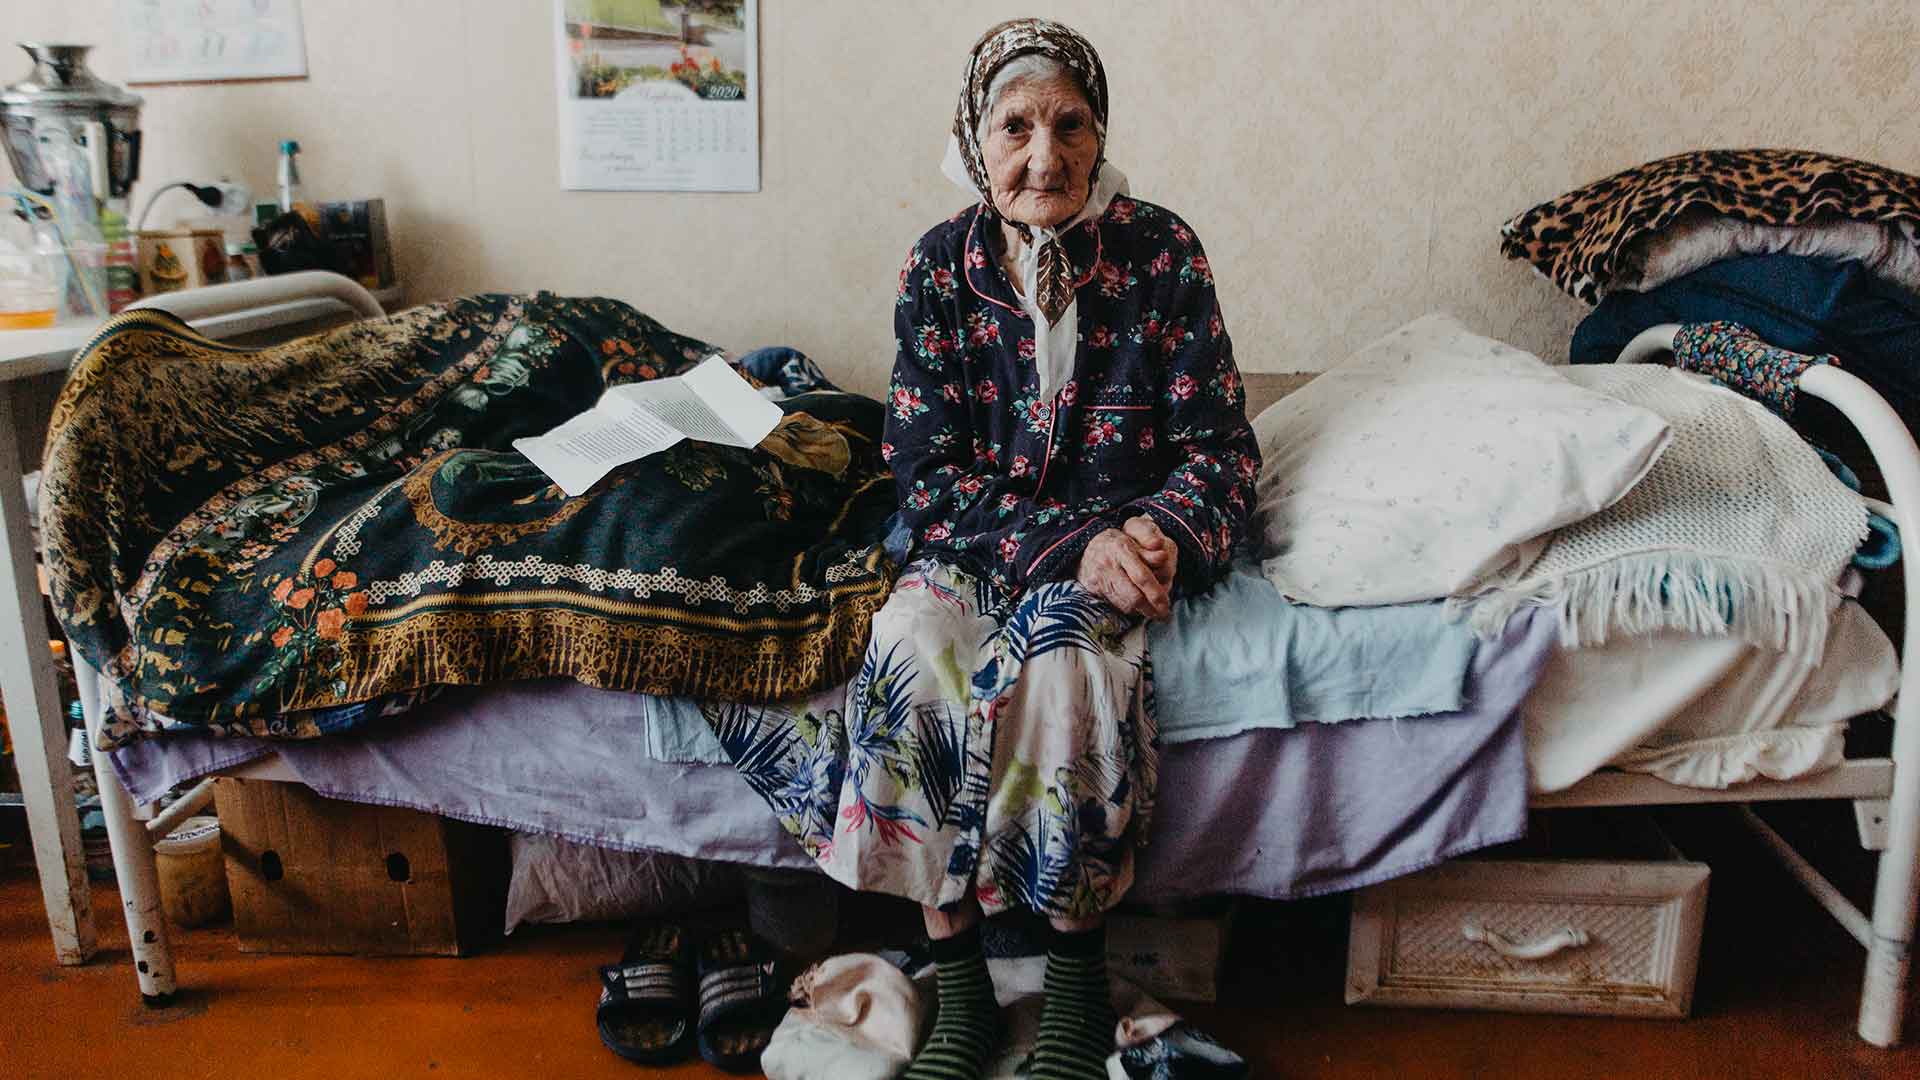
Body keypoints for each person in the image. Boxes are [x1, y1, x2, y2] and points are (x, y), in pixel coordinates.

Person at [721, 18, 1259, 1079]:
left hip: (1109, 555)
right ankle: (957, 986)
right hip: (976, 543)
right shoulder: (940, 264)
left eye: (1069, 126)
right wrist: (1081, 538)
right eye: (1015, 127)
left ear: (1101, 135)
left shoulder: (1161, 252)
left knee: (1070, 674)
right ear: (976, 136)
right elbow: (923, 471)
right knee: (912, 648)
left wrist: (1161, 529)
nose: (1044, 157)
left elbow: (1222, 446)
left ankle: (1070, 988)